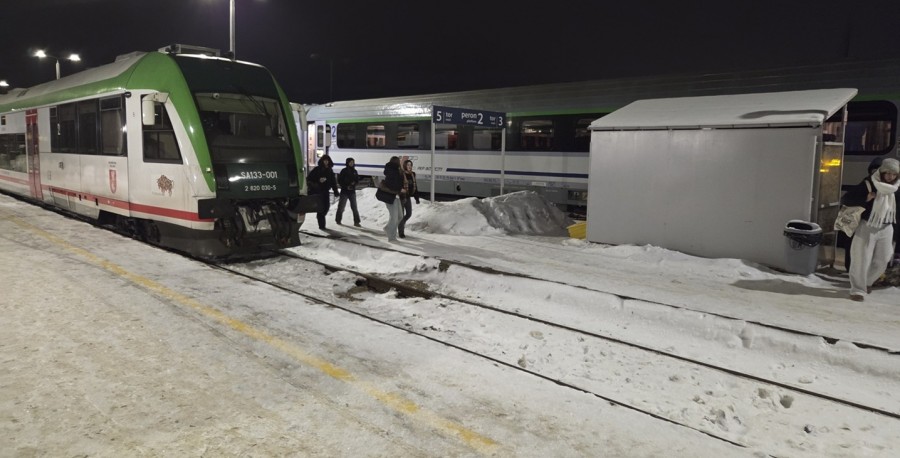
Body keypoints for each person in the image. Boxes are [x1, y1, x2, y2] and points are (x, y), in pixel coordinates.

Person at [843, 158, 899, 301]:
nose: (890, 177)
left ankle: (867, 281)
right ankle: (858, 290)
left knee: (883, 259)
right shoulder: (869, 183)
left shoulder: (897, 188)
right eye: (888, 173)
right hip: (867, 225)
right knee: (861, 259)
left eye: (894, 174)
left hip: (887, 227)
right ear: (882, 172)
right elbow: (847, 199)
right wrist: (865, 200)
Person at [840, 157, 884, 271]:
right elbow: (846, 200)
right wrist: (866, 199)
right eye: (873, 171)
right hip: (861, 222)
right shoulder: (866, 185)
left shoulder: (887, 188)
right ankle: (852, 270)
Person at [307, 154, 338, 230]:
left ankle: (320, 217)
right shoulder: (317, 169)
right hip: (318, 191)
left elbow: (333, 182)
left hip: (325, 191)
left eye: (327, 161)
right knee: (321, 208)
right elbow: (309, 179)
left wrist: (335, 191)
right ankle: (322, 225)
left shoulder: (330, 171)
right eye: (325, 160)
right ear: (322, 161)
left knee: (326, 207)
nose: (326, 162)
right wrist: (318, 181)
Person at [381, 156, 405, 242]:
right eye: (399, 161)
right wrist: (399, 189)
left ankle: (388, 228)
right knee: (394, 217)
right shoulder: (391, 172)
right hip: (390, 196)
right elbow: (391, 185)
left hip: (396, 196)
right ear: (396, 162)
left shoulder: (396, 171)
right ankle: (391, 237)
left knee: (400, 216)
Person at [335, 157, 362, 227]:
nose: (352, 163)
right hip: (344, 191)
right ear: (347, 163)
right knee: (341, 206)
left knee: (354, 207)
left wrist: (354, 184)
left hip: (352, 191)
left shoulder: (355, 171)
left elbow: (357, 180)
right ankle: (338, 220)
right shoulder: (343, 171)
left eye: (352, 162)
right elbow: (340, 180)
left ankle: (357, 221)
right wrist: (346, 186)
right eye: (350, 162)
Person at [398, 159, 419, 238]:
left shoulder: (413, 174)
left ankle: (401, 224)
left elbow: (415, 186)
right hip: (402, 197)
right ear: (405, 166)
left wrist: (417, 198)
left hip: (408, 197)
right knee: (401, 215)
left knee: (409, 214)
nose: (410, 166)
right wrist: (400, 189)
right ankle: (401, 232)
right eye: (408, 165)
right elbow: (398, 185)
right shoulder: (401, 174)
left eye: (410, 165)